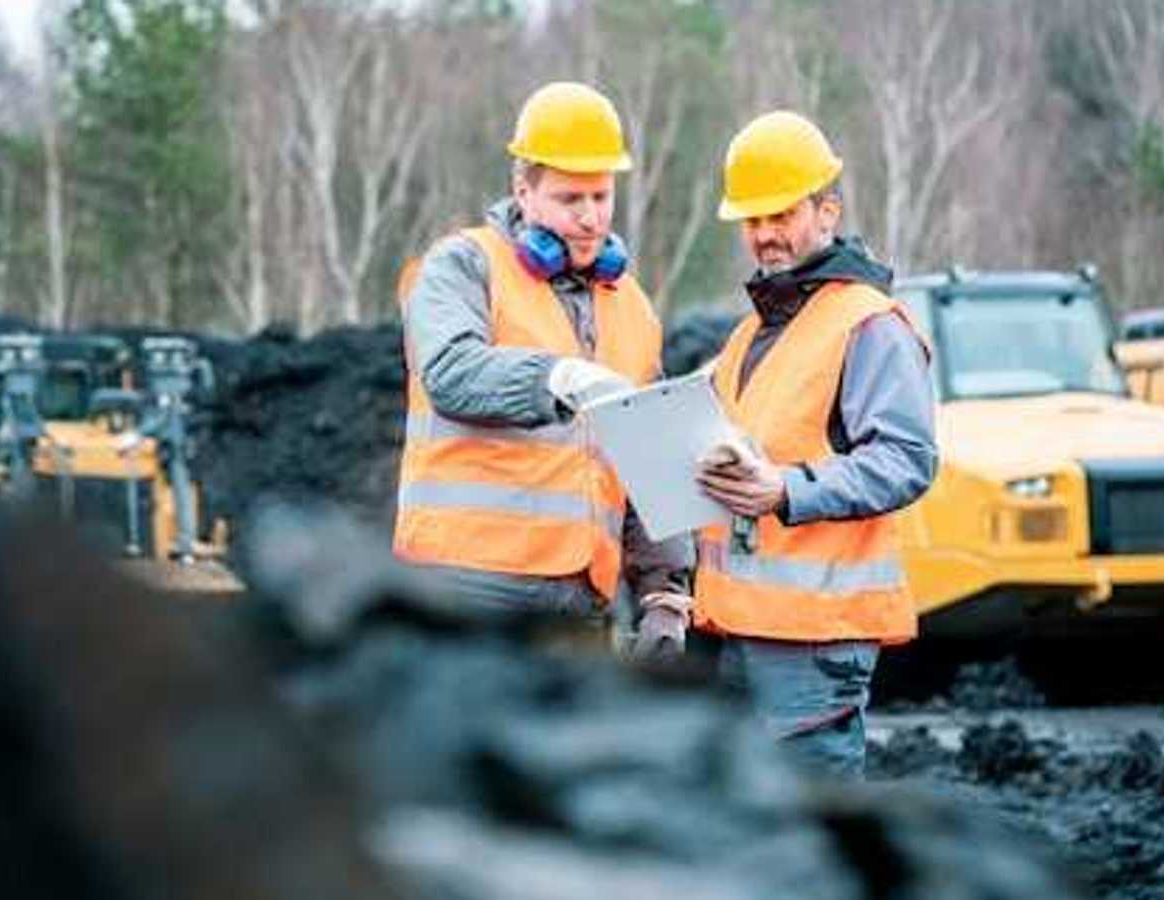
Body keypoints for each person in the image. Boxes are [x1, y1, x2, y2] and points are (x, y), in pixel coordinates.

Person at [393, 81, 693, 648]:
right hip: (467, 590)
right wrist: (559, 377)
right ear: (523, 193)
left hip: (578, 599)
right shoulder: (462, 266)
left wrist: (664, 596)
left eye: (601, 197)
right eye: (569, 199)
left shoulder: (630, 305)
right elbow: (451, 372)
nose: (591, 218)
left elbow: (651, 460)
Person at [692, 111, 939, 778]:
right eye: (752, 220)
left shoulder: (868, 324)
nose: (765, 234)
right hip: (736, 631)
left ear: (827, 212)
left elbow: (906, 461)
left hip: (814, 645)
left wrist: (786, 490)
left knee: (808, 828)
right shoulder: (750, 335)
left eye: (782, 214)